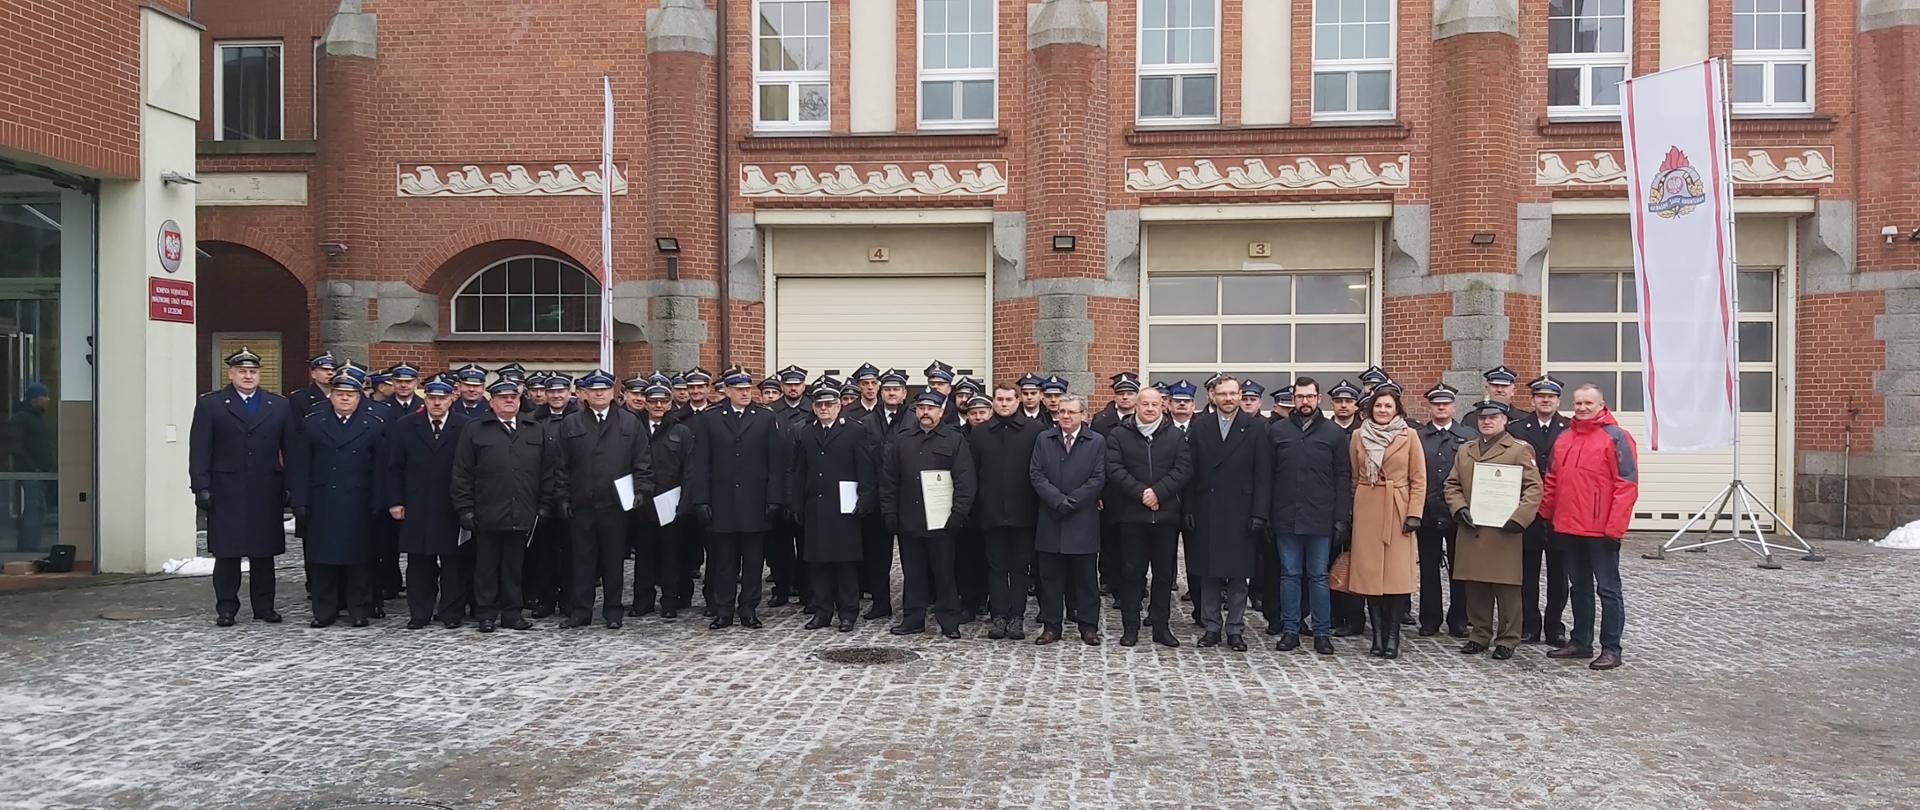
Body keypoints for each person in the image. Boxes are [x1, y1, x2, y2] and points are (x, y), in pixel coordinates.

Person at [188, 349, 296, 626]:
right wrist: (201, 486)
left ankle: (264, 606)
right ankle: (226, 607)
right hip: (226, 489)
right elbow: (200, 449)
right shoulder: (212, 405)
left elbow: (291, 450)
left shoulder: (278, 406)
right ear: (231, 374)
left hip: (265, 488)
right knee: (227, 553)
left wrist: (291, 485)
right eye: (242, 372)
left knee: (264, 553)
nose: (248, 376)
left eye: (253, 372)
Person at [1538, 383, 1637, 671]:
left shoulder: (1617, 437)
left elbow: (1626, 485)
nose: (1582, 408)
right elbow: (1553, 480)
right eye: (1578, 403)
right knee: (1579, 587)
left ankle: (1611, 647)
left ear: (1601, 404)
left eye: (1588, 403)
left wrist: (1614, 529)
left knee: (1608, 590)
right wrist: (1548, 516)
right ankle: (1581, 641)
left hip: (1600, 530)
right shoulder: (1565, 438)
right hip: (1569, 526)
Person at [687, 369, 792, 630]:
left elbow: (774, 462)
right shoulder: (710, 419)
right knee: (724, 562)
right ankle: (723, 610)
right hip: (721, 502)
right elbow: (700, 463)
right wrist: (700, 499)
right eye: (739, 388)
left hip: (755, 502)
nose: (746, 392)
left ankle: (749, 608)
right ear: (727, 391)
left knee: (754, 561)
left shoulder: (764, 418)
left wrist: (774, 498)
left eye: (748, 388)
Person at [451, 379, 557, 633]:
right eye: (503, 397)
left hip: (522, 510)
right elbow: (462, 472)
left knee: (514, 567)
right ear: (492, 401)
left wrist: (544, 505)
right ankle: (486, 613)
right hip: (487, 510)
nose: (509, 401)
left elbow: (547, 470)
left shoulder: (534, 428)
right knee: (486, 567)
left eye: (514, 397)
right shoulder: (475, 429)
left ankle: (512, 613)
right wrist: (464, 508)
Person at [551, 370, 654, 629]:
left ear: (612, 393)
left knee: (613, 560)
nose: (599, 394)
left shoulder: (629, 423)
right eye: (594, 390)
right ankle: (581, 610)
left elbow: (642, 461)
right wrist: (562, 497)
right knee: (582, 560)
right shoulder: (571, 424)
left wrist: (642, 491)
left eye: (604, 389)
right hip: (581, 503)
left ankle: (613, 611)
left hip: (616, 504)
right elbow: (561, 465)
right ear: (585, 394)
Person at [288, 367, 389, 628]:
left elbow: (381, 469)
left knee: (360, 561)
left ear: (359, 397)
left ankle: (359, 609)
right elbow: (300, 466)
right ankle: (324, 610)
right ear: (330, 396)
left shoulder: (373, 425)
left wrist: (379, 501)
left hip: (359, 502)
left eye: (350, 394)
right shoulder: (313, 422)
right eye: (339, 393)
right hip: (323, 502)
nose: (345, 399)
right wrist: (299, 500)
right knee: (322, 561)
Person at [1443, 399, 1543, 660]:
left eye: (1493, 417)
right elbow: (1452, 484)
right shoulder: (1466, 450)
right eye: (1482, 418)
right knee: (1475, 586)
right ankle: (1479, 634)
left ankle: (1508, 638)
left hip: (1504, 530)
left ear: (1504, 420)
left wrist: (1519, 518)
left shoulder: (1519, 449)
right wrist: (1459, 507)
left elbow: (1534, 488)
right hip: (1472, 527)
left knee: (1506, 587)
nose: (1487, 422)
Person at [1182, 375, 1272, 652]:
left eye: (1234, 393)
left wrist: (1260, 512)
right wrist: (1187, 508)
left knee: (1237, 575)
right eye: (1223, 394)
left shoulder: (1256, 428)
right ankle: (1211, 626)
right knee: (1208, 573)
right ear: (1213, 396)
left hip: (1241, 511)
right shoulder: (1200, 427)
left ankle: (1235, 628)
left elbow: (1263, 475)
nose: (1229, 399)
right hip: (1206, 509)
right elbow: (1189, 472)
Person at [879, 390, 977, 638]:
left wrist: (958, 514)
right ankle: (913, 619)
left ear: (941, 412)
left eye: (931, 408)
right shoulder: (902, 440)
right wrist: (890, 512)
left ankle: (949, 621)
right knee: (912, 573)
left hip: (942, 520)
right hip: (909, 518)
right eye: (921, 408)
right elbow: (889, 480)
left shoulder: (954, 440)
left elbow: (965, 480)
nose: (925, 412)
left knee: (944, 573)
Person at [1266, 377, 1353, 656]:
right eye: (1300, 396)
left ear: (1319, 399)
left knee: (1318, 576)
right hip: (1285, 514)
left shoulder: (1333, 433)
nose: (1305, 401)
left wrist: (1341, 517)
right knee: (1289, 574)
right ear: (1293, 398)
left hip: (1320, 517)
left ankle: (1321, 632)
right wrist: (1266, 515)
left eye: (1310, 396)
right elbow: (1267, 477)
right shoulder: (1277, 431)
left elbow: (1343, 476)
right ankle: (1290, 629)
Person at [1102, 386, 1191, 647]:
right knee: (1131, 573)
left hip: (1165, 516)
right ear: (1136, 407)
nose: (1150, 409)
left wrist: (1158, 493)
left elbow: (1183, 469)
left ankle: (1161, 626)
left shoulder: (1176, 436)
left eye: (1155, 404)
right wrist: (1141, 493)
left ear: (1163, 406)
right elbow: (1114, 468)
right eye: (1145, 404)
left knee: (1164, 575)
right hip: (1131, 515)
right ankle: (1131, 626)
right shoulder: (1119, 435)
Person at [383, 377, 469, 629]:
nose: (437, 403)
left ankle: (451, 612)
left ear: (452, 399)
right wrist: (396, 501)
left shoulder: (464, 426)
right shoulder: (406, 425)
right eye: (432, 398)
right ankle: (419, 612)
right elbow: (394, 467)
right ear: (426, 399)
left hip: (451, 504)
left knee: (453, 563)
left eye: (442, 398)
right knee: (419, 563)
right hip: (417, 503)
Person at [791, 377, 876, 632]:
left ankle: (848, 612)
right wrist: (796, 503)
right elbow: (798, 472)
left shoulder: (854, 430)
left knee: (845, 563)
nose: (824, 409)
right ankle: (822, 611)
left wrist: (865, 500)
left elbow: (866, 469)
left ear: (839, 406)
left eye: (829, 404)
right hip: (816, 506)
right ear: (813, 407)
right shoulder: (806, 432)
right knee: (818, 563)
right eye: (819, 405)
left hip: (845, 507)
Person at [1346, 386, 1423, 659]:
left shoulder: (1409, 436)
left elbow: (1419, 479)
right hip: (1367, 507)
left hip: (1397, 507)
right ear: (1370, 409)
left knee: (1396, 577)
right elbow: (1354, 477)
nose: (1382, 410)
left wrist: (1414, 513)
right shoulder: (1358, 435)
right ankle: (1377, 637)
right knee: (1369, 579)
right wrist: (1355, 510)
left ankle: (1393, 637)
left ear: (1397, 410)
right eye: (1378, 406)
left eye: (1388, 406)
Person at [1028, 394, 1108, 646]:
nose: (1065, 416)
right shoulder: (1044, 439)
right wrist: (1057, 500)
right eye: (1062, 411)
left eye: (1071, 412)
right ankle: (1052, 626)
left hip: (1082, 518)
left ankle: (1088, 626)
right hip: (1051, 517)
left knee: (1085, 578)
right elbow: (1036, 473)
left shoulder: (1096, 441)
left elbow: (1098, 477)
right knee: (1050, 578)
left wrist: (1072, 501)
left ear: (1083, 415)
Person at [968, 384, 1044, 640]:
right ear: (993, 402)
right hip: (990, 512)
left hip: (1024, 511)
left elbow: (1040, 471)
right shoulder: (979, 434)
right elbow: (972, 473)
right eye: (999, 399)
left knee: (1020, 568)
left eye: (1009, 399)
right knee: (996, 567)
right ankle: (998, 616)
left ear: (1018, 400)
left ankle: (1017, 617)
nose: (1004, 403)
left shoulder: (1035, 431)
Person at [1508, 374, 1572, 646]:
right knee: (1527, 573)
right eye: (1540, 396)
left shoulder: (1570, 429)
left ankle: (1554, 625)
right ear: (1532, 400)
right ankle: (1529, 624)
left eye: (1551, 397)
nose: (1545, 400)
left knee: (1559, 575)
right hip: (1528, 510)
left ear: (1558, 400)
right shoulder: (1517, 429)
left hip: (1560, 511)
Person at [1416, 382, 1474, 638]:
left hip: (1458, 513)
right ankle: (1429, 619)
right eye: (1436, 403)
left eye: (1446, 403)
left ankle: (1459, 619)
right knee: (1428, 569)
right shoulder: (1417, 437)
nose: (1441, 407)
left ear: (1454, 406)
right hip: (1427, 511)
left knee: (1459, 569)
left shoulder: (1469, 436)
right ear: (1429, 407)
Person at [632, 380, 692, 618]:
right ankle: (642, 601)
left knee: (671, 556)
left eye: (663, 401)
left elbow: (689, 470)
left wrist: (685, 502)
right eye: (653, 400)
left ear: (670, 403)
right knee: (644, 555)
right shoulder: (634, 428)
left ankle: (670, 601)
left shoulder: (681, 431)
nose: (658, 405)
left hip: (671, 502)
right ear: (645, 402)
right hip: (643, 501)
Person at [857, 367, 914, 618]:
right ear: (881, 392)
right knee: (877, 557)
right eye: (887, 389)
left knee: (912, 557)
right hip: (878, 498)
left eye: (896, 390)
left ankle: (912, 605)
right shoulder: (867, 422)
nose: (891, 393)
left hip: (908, 499)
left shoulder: (914, 417)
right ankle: (881, 603)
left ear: (904, 393)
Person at [1321, 378, 1368, 638]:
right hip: (1328, 507)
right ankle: (1331, 614)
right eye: (1339, 401)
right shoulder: (1324, 430)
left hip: (1360, 507)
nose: (1343, 406)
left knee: (1356, 563)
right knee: (1329, 562)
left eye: (1348, 401)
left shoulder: (1364, 431)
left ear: (1356, 406)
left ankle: (1354, 618)